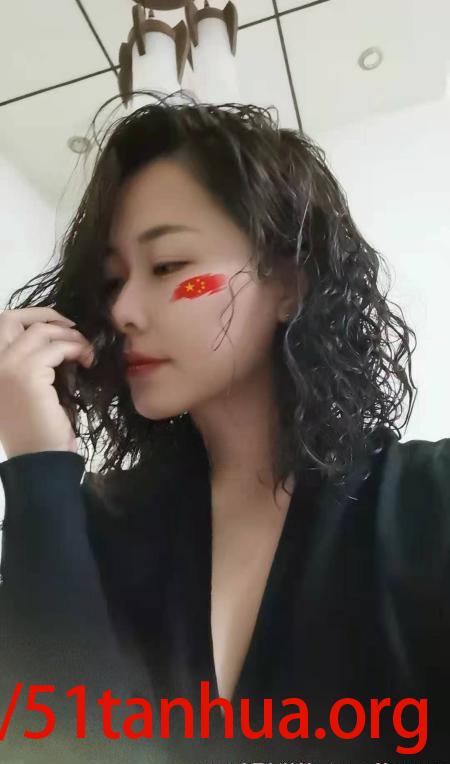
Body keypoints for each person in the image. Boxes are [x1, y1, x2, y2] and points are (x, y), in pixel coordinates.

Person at [0, 96, 448, 764]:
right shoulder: (94, 526)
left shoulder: (427, 503)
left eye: (168, 267)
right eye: (114, 280)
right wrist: (37, 469)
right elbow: (51, 741)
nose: (123, 310)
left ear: (288, 283)